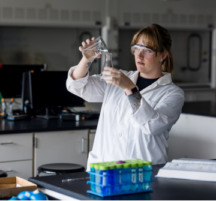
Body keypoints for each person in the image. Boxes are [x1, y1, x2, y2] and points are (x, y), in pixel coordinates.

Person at [66, 24, 184, 171]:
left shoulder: (173, 93)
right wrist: (86, 60)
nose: (139, 55)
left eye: (147, 50)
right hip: (104, 168)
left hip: (141, 172)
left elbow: (151, 126)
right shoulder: (118, 78)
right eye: (137, 48)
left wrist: (130, 88)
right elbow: (77, 86)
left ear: (163, 55)